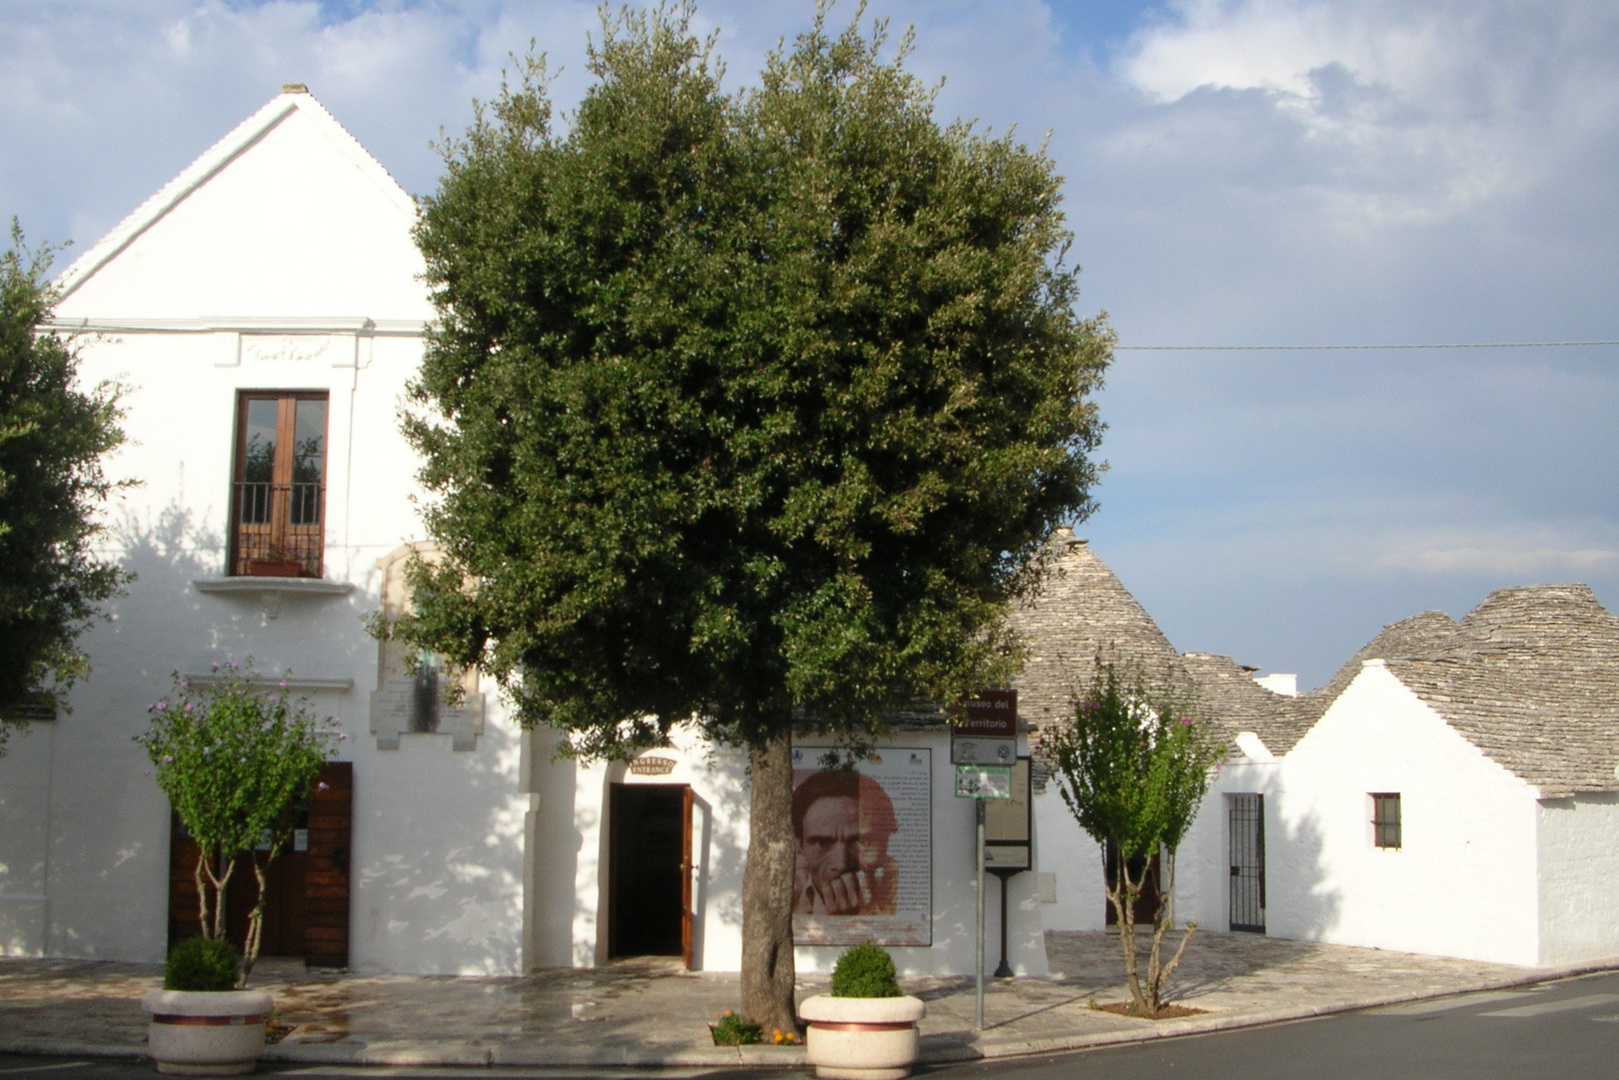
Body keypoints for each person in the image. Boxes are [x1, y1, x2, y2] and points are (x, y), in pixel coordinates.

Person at [792, 768, 899, 916]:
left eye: (862, 841)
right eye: (822, 844)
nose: (842, 864)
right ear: (799, 847)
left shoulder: (908, 893)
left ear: (886, 838)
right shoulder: (783, 898)